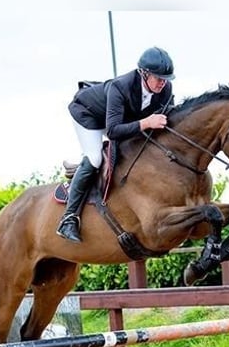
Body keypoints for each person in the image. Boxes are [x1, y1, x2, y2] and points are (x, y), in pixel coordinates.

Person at [56, 46, 176, 242]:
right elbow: (113, 132)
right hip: (89, 115)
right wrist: (146, 123)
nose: (163, 82)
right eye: (158, 77)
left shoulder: (165, 89)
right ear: (144, 73)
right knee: (95, 158)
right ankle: (68, 219)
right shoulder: (121, 87)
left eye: (166, 78)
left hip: (122, 119)